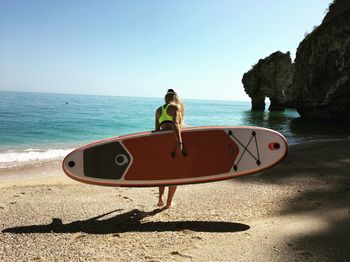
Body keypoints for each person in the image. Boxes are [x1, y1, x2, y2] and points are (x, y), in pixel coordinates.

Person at [155, 89, 185, 208]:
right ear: (175, 98)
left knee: (163, 171)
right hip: (173, 141)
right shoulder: (175, 107)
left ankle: (160, 198)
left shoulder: (158, 110)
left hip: (162, 142)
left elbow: (157, 130)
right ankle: (168, 203)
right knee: (175, 173)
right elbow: (175, 125)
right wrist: (180, 143)